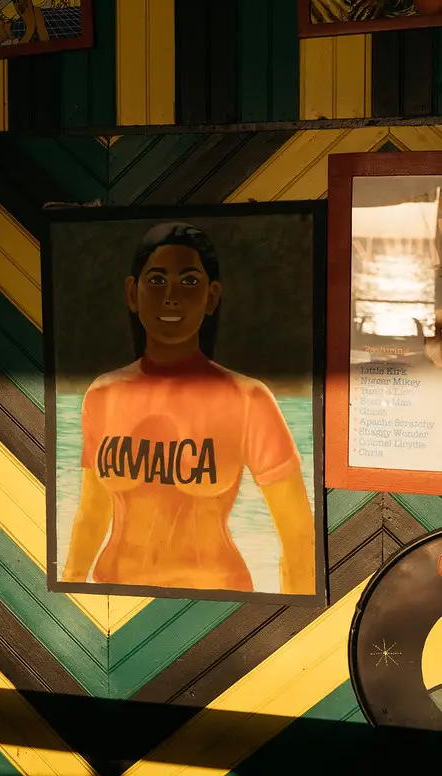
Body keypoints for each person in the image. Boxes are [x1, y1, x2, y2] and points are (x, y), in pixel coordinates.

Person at [62, 223, 316, 594]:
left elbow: (297, 537)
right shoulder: (103, 395)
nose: (171, 297)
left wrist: (290, 622)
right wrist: (70, 590)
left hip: (215, 600)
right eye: (157, 279)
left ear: (212, 297)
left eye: (190, 282)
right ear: (132, 293)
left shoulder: (246, 400)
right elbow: (90, 517)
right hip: (112, 594)